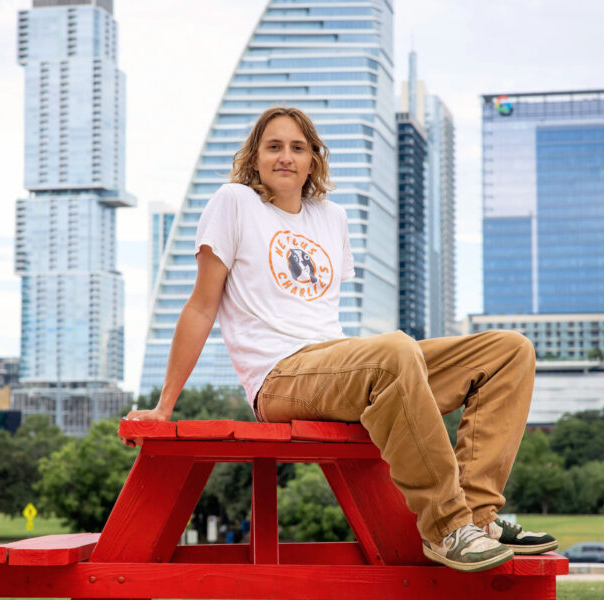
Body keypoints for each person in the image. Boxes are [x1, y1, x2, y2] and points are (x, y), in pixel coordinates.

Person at [123, 106, 557, 572]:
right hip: (280, 376)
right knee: (394, 349)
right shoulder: (234, 202)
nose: (285, 157)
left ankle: (477, 517)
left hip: (339, 365)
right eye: (273, 147)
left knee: (509, 351)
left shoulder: (333, 217)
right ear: (255, 159)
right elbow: (202, 305)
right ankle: (447, 529)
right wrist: (165, 405)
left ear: (314, 160)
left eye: (297, 147)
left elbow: (320, 315)